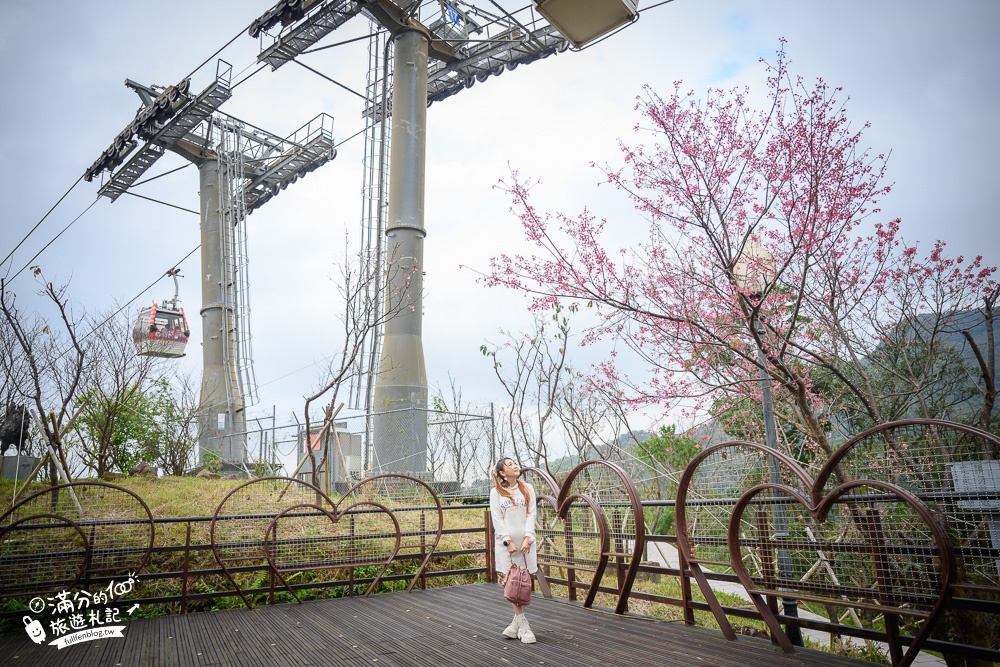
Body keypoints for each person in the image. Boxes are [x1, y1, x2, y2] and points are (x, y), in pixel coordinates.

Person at [489, 456, 538, 644]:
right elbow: (497, 519)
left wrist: (528, 537)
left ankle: (515, 625)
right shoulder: (496, 493)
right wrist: (507, 541)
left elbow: (531, 513)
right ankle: (523, 626)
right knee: (513, 582)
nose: (515, 465)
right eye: (510, 465)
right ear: (502, 473)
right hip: (507, 546)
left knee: (523, 583)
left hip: (526, 544)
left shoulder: (528, 488)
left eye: (515, 463)